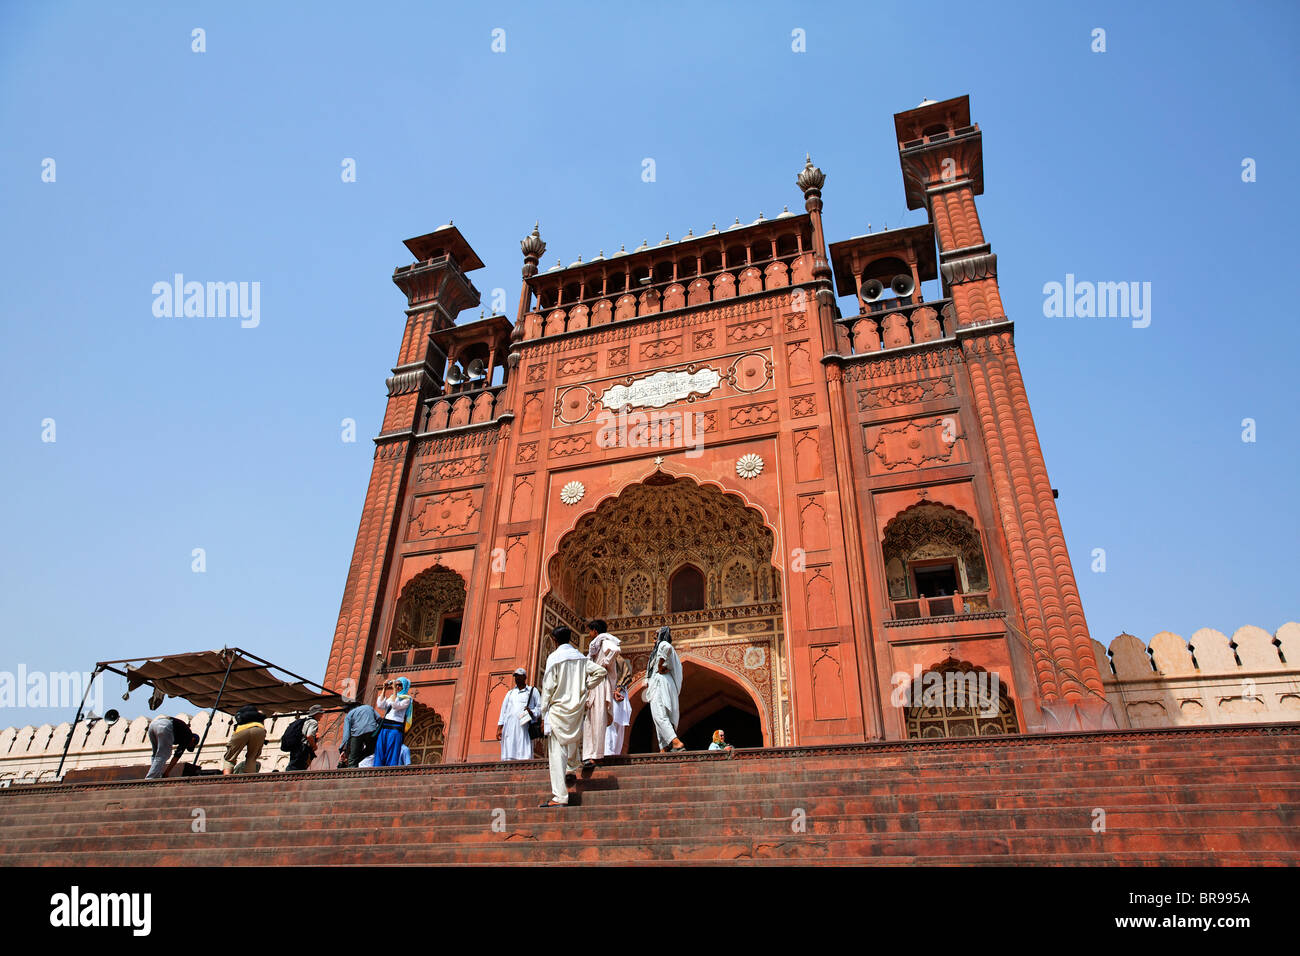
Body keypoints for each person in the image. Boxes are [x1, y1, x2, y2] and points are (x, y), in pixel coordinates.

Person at [538, 626, 608, 807]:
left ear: (554, 640)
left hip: (557, 709)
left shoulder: (554, 658)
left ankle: (560, 796)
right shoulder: (580, 657)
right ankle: (570, 768)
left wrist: (543, 712)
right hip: (576, 708)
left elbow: (547, 689)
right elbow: (601, 672)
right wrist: (585, 687)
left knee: (556, 754)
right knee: (572, 740)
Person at [581, 619, 623, 768]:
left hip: (600, 684)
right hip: (594, 684)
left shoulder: (604, 641)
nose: (589, 634)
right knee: (590, 720)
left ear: (595, 631)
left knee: (598, 719)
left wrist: (603, 664)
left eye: (590, 631)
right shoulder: (596, 645)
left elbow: (615, 650)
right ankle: (589, 755)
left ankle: (596, 755)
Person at [644, 625, 685, 752]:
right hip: (663, 683)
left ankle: (676, 742)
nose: (653, 641)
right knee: (661, 716)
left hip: (660, 683)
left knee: (659, 714)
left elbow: (666, 646)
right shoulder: (657, 652)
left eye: (655, 637)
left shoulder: (663, 645)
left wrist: (660, 664)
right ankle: (664, 747)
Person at [497, 667, 540, 761]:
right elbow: (503, 711)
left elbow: (539, 708)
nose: (517, 679)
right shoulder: (510, 693)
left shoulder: (532, 691)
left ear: (524, 677)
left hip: (524, 726)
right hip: (510, 726)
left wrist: (532, 712)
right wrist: (499, 728)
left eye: (519, 676)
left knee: (523, 747)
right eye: (515, 676)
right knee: (509, 747)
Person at [374, 677, 414, 767]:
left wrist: (394, 691)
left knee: (392, 751)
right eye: (397, 685)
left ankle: (389, 771)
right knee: (380, 749)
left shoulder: (407, 699)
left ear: (404, 687)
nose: (398, 687)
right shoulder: (391, 697)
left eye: (400, 685)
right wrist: (384, 689)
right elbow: (381, 705)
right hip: (385, 727)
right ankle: (377, 769)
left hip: (395, 728)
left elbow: (395, 705)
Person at [224, 703, 267, 774]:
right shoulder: (258, 716)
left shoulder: (241, 716)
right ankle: (248, 779)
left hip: (241, 730)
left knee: (230, 757)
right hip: (259, 730)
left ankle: (226, 779)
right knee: (252, 757)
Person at [339, 698, 380, 769]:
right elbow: (379, 719)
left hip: (357, 734)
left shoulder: (349, 714)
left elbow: (346, 734)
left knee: (352, 758)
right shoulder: (369, 707)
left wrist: (342, 749)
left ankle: (351, 771)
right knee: (371, 749)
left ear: (349, 709)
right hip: (371, 731)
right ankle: (355, 760)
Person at [605, 658, 633, 757]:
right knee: (616, 728)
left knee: (610, 727)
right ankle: (613, 754)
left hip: (613, 697)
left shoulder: (612, 659)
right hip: (618, 696)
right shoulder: (619, 659)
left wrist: (615, 689)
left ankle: (609, 754)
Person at [286, 704, 322, 771]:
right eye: (320, 713)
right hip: (303, 748)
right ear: (316, 714)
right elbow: (309, 736)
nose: (322, 716)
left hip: (296, 747)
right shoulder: (313, 722)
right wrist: (314, 746)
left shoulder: (305, 721)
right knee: (298, 768)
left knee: (292, 766)